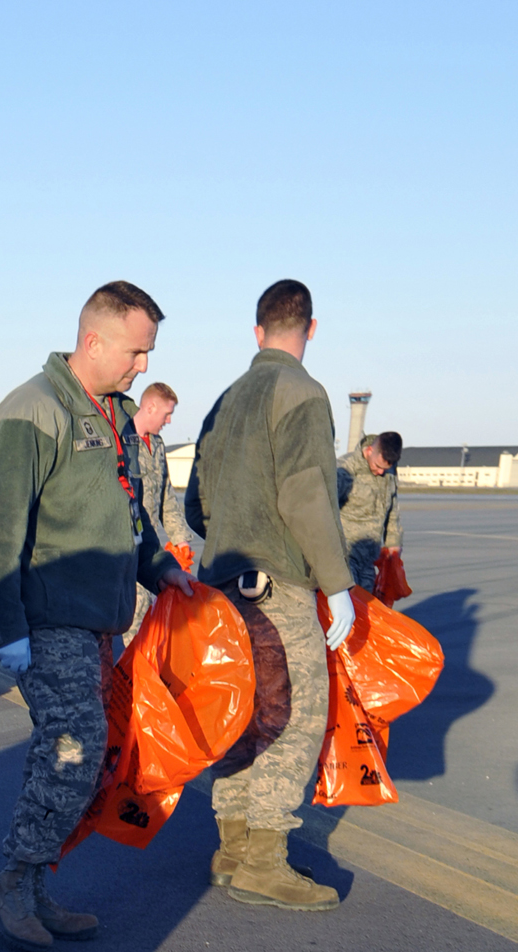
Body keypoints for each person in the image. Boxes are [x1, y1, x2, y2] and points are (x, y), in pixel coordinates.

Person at [0, 280, 191, 952]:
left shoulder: (114, 414)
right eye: (135, 351)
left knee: (79, 758)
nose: (143, 366)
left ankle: (34, 883)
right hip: (48, 620)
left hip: (98, 622)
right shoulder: (32, 412)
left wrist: (159, 565)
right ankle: (14, 881)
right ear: (93, 341)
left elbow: (129, 509)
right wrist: (3, 633)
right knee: (74, 748)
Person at [185, 279, 355, 911]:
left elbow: (194, 503)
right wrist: (336, 585)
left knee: (238, 713)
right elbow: (307, 494)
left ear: (257, 332)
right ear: (310, 329)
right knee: (296, 716)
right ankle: (264, 860)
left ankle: (230, 848)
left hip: (221, 586)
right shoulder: (301, 392)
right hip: (276, 584)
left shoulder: (227, 399)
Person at [124, 381, 194, 641]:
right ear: (150, 407)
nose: (169, 421)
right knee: (131, 628)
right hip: (132, 553)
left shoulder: (158, 445)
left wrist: (182, 540)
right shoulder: (123, 442)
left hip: (153, 552)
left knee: (153, 630)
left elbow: (167, 499)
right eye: (167, 414)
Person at [337, 430, 403, 590]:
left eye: (385, 469)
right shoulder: (344, 470)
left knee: (368, 607)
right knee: (349, 607)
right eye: (378, 466)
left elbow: (392, 508)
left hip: (369, 559)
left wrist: (393, 542)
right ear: (369, 451)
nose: (381, 472)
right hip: (345, 556)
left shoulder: (390, 472)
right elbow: (322, 510)